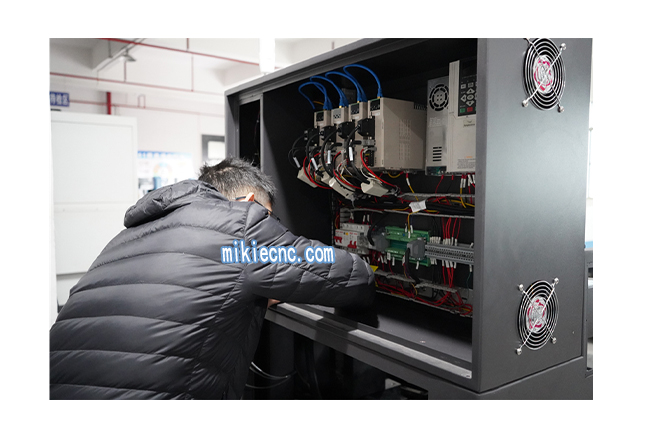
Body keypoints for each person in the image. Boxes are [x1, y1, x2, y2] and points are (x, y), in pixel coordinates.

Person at [49, 158, 375, 399]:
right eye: (270, 217)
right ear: (250, 203)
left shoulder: (127, 237)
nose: (272, 225)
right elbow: (351, 274)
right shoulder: (241, 227)